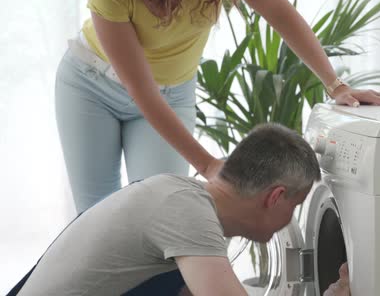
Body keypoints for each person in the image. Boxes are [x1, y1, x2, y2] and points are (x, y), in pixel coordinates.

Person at [56, 0, 380, 214]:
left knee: (159, 213)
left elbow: (281, 13)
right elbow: (141, 89)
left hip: (172, 91)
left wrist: (336, 85)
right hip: (90, 87)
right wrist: (208, 164)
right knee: (96, 216)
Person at [13, 123, 350, 295]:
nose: (292, 219)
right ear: (275, 197)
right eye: (297, 205)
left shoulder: (179, 194)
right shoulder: (187, 213)